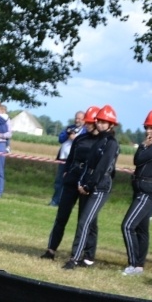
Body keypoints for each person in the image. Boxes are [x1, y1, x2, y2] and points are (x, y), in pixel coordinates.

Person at [63, 104, 120, 270]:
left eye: (104, 122)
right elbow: (89, 164)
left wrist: (88, 185)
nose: (100, 125)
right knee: (91, 222)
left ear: (111, 125)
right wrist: (82, 181)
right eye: (99, 121)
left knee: (84, 222)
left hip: (100, 187)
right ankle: (88, 257)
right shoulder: (100, 140)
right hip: (89, 184)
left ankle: (74, 258)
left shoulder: (111, 143)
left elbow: (102, 168)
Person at [40, 106, 99, 263]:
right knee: (61, 216)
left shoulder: (102, 142)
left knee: (84, 221)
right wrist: (67, 172)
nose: (86, 125)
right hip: (73, 179)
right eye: (86, 122)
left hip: (88, 182)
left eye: (89, 122)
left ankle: (85, 255)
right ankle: (51, 249)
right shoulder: (80, 139)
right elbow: (71, 157)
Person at [121, 110, 152, 276]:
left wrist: (143, 146)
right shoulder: (149, 144)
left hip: (149, 190)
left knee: (127, 225)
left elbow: (139, 159)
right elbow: (137, 158)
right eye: (147, 127)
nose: (148, 130)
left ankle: (133, 264)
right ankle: (139, 265)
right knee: (142, 229)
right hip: (141, 188)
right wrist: (143, 146)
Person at [51, 111, 85, 206]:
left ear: (84, 119)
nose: (77, 120)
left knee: (70, 183)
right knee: (59, 181)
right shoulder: (69, 128)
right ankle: (55, 201)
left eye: (79, 118)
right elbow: (60, 139)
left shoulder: (85, 131)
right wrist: (67, 134)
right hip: (63, 158)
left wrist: (75, 139)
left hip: (75, 161)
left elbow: (84, 144)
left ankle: (65, 203)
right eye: (76, 118)